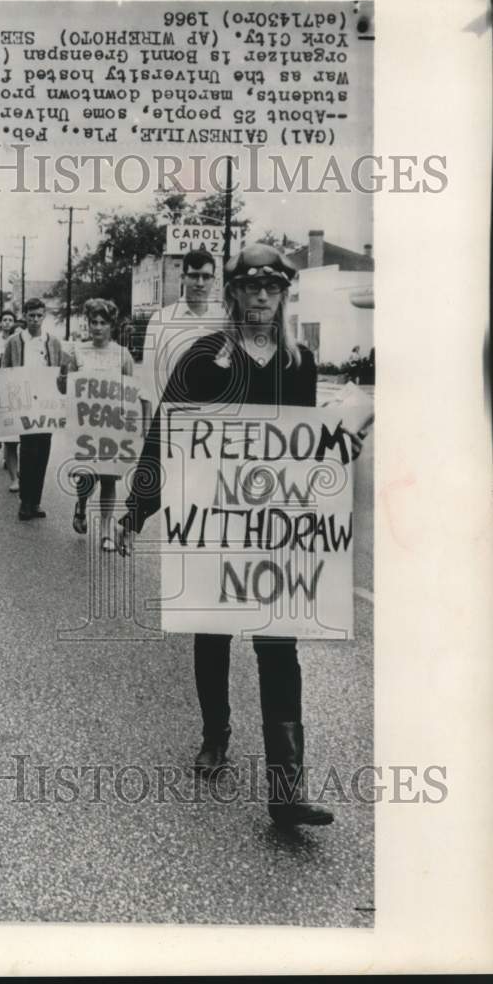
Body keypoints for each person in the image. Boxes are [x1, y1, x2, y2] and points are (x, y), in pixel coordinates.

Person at [116, 243, 364, 828]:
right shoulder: (205, 357)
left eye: (271, 288)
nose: (260, 297)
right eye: (250, 287)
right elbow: (165, 434)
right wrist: (136, 510)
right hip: (213, 522)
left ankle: (287, 786)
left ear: (282, 296)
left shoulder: (299, 361)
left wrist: (340, 445)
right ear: (233, 295)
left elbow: (302, 443)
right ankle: (216, 733)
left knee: (281, 645)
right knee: (214, 633)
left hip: (274, 525)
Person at [68, 299, 134, 551]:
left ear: (111, 325)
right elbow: (68, 387)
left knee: (108, 479)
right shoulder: (78, 351)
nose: (97, 327)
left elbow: (131, 391)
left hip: (112, 424)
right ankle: (81, 505)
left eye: (102, 323)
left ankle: (106, 530)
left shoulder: (122, 354)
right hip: (85, 424)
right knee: (87, 475)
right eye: (93, 322)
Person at [139, 248, 227, 430]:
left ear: (214, 280)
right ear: (183, 278)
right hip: (174, 420)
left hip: (215, 423)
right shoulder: (161, 320)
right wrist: (151, 430)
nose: (200, 283)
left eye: (206, 276)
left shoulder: (224, 320)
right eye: (194, 276)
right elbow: (150, 381)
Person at [2, 297, 68, 521]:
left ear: (44, 316)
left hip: (47, 404)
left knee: (43, 452)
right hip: (24, 401)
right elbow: (5, 370)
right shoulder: (14, 341)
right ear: (25, 316)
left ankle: (36, 501)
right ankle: (25, 501)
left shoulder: (54, 343)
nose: (35, 320)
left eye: (39, 315)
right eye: (31, 316)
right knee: (28, 451)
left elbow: (61, 372)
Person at [0, 310, 20, 488]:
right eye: (5, 320)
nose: (7, 323)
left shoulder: (22, 344)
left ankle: (12, 461)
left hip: (19, 392)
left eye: (10, 320)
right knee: (0, 424)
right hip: (2, 388)